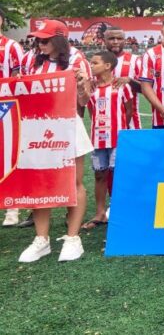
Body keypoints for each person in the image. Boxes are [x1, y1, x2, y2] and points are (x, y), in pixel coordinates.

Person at [19, 20, 93, 262]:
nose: (39, 44)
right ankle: (42, 240)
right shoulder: (31, 58)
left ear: (60, 39)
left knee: (74, 181)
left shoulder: (76, 58)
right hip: (36, 126)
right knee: (39, 182)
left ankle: (73, 238)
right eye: (37, 39)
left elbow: (84, 101)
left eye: (45, 39)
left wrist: (82, 85)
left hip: (67, 124)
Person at [83, 51, 134, 229]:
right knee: (99, 174)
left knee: (118, 173)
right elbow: (91, 111)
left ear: (107, 66)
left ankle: (122, 211)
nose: (91, 66)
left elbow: (129, 110)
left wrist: (120, 130)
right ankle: (100, 213)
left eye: (95, 63)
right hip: (98, 138)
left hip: (117, 138)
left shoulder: (121, 86)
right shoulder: (92, 88)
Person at [0, 9, 25, 227]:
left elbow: (19, 78)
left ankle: (12, 207)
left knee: (7, 154)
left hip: (5, 106)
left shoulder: (11, 47)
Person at [104, 26, 142, 129]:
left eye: (119, 39)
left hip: (131, 124)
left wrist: (130, 81)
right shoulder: (97, 62)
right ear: (104, 40)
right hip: (104, 124)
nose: (115, 41)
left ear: (125, 41)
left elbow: (146, 89)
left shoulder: (135, 60)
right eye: (111, 38)